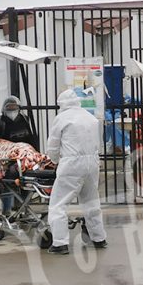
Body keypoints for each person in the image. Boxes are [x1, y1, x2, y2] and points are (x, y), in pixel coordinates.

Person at [46, 89, 107, 255]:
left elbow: (53, 144)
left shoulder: (62, 118)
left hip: (72, 163)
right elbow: (99, 142)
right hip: (92, 163)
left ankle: (60, 243)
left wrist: (54, 160)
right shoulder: (90, 118)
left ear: (62, 104)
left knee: (58, 204)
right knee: (91, 201)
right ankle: (99, 238)